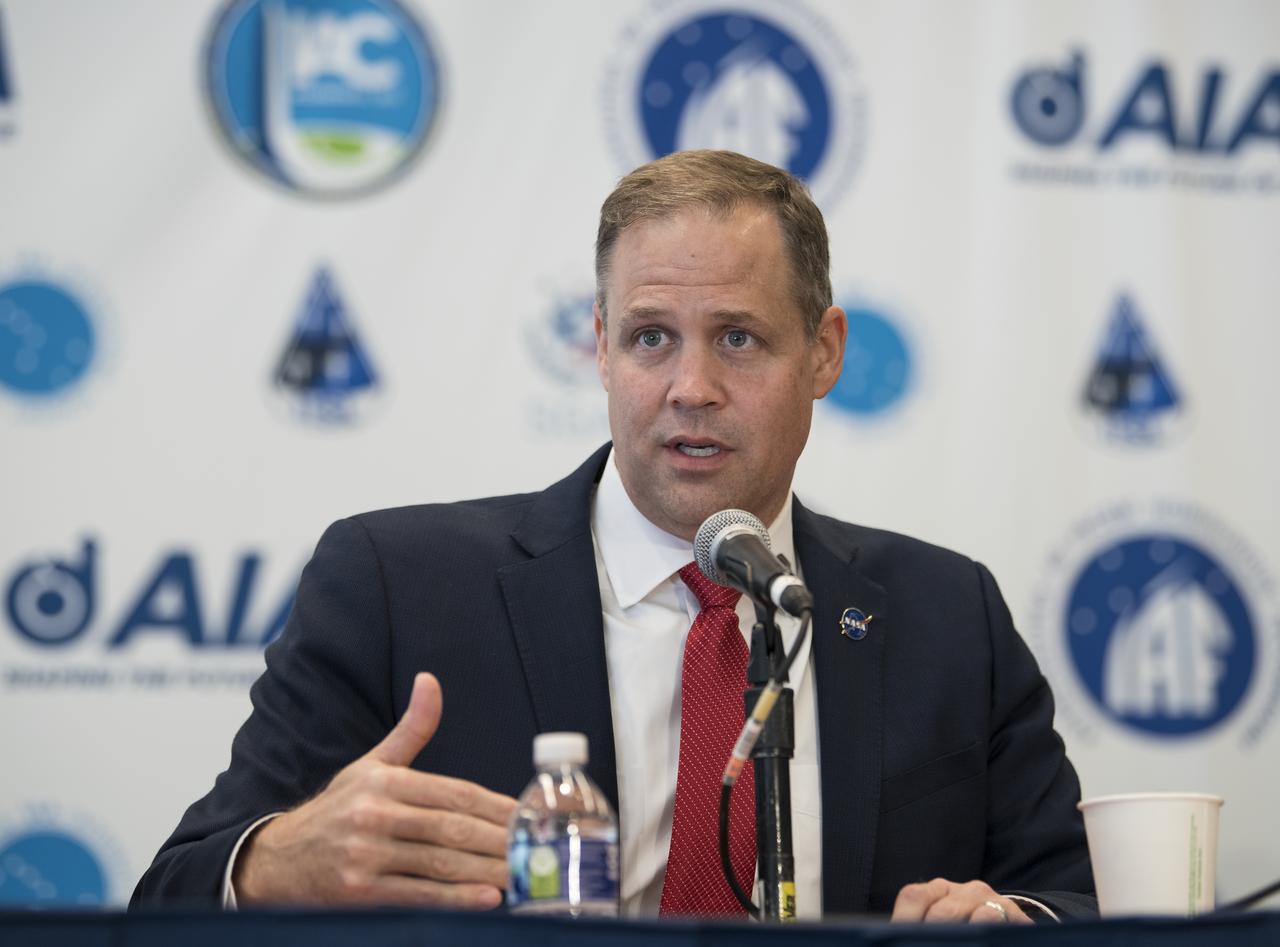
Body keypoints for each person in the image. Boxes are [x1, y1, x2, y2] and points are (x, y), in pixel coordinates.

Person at [132, 150, 1095, 922]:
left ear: (826, 352)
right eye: (649, 337)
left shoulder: (945, 614)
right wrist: (276, 863)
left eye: (739, 337)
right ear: (598, 347)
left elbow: (1073, 900)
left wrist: (1009, 918)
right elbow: (168, 898)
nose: (691, 387)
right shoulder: (398, 589)